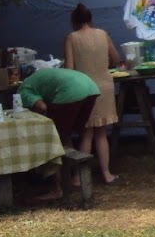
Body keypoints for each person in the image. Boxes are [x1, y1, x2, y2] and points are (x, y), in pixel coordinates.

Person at [18, 67, 100, 201]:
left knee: (55, 140)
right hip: (90, 87)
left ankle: (57, 188)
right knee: (65, 136)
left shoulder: (23, 91)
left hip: (70, 91)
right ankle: (71, 178)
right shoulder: (37, 79)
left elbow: (41, 107)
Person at [64, 3, 121, 184]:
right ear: (90, 19)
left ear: (74, 22)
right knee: (101, 133)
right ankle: (107, 174)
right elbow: (116, 59)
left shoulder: (72, 38)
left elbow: (69, 69)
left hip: (85, 89)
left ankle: (78, 177)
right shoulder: (103, 34)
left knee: (87, 133)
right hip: (104, 87)